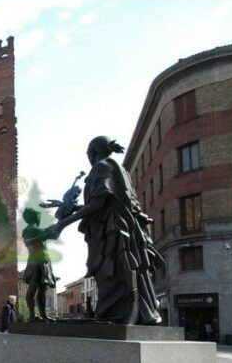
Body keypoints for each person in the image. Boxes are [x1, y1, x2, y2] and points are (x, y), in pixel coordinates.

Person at [55, 136, 164, 325]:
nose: (88, 157)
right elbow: (105, 201)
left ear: (93, 152)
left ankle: (126, 314)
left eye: (88, 153)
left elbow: (99, 203)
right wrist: (72, 208)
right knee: (123, 272)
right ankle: (136, 312)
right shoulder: (119, 168)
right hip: (121, 228)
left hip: (112, 231)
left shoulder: (101, 167)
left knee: (114, 271)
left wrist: (63, 223)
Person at [21, 207, 59, 321]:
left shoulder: (32, 229)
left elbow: (46, 232)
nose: (39, 218)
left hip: (40, 261)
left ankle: (42, 315)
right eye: (38, 216)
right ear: (34, 217)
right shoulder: (32, 229)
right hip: (38, 262)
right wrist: (58, 224)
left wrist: (52, 227)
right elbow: (52, 235)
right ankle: (33, 315)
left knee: (41, 289)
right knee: (34, 289)